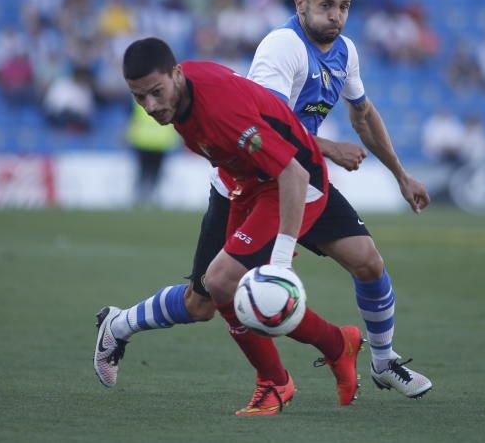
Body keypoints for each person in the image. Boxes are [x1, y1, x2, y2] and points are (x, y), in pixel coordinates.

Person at [95, 0, 433, 409]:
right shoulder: (281, 48)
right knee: (210, 297)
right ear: (301, 4)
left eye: (344, 7)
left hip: (294, 176)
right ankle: (122, 326)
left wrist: (400, 174)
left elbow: (361, 116)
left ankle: (380, 362)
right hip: (260, 179)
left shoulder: (344, 53)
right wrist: (327, 150)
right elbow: (268, 121)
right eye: (325, 5)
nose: (335, 16)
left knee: (367, 263)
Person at [118, 36, 363, 415]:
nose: (150, 106)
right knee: (223, 292)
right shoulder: (183, 94)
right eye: (139, 98)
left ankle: (276, 383)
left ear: (177, 74)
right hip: (248, 182)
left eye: (155, 92)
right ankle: (336, 345)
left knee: (221, 281)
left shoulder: (219, 111)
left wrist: (280, 262)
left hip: (291, 183)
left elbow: (294, 174)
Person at [125, 101, 179, 207]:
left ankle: (140, 198)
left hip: (143, 140)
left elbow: (131, 118)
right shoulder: (168, 100)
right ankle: (149, 198)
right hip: (159, 141)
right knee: (154, 173)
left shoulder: (138, 101)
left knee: (143, 172)